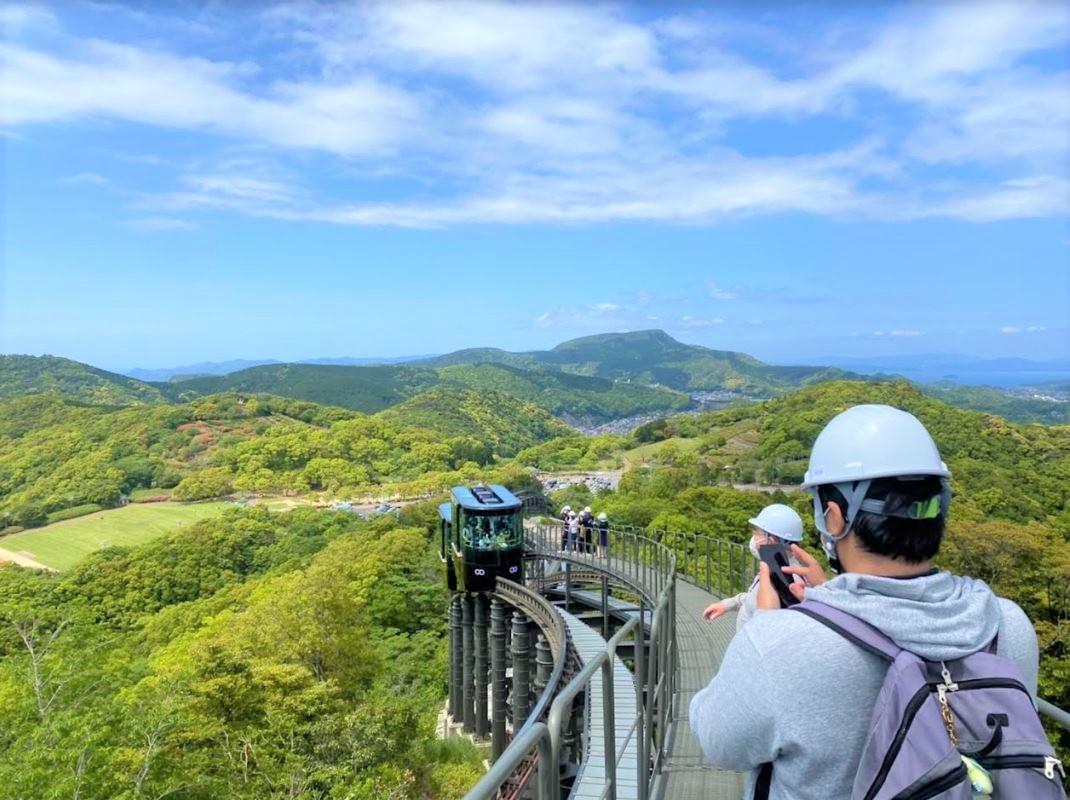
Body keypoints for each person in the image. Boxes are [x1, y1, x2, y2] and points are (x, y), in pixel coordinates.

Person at [689, 404, 1040, 800]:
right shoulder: (1009, 625)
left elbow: (716, 739)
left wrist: (767, 629)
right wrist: (827, 597)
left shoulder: (779, 647)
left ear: (834, 518)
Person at [701, 503, 804, 632]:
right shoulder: (777, 569)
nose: (754, 537)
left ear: (770, 540)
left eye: (757, 532)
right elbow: (754, 599)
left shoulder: (789, 582)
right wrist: (728, 604)